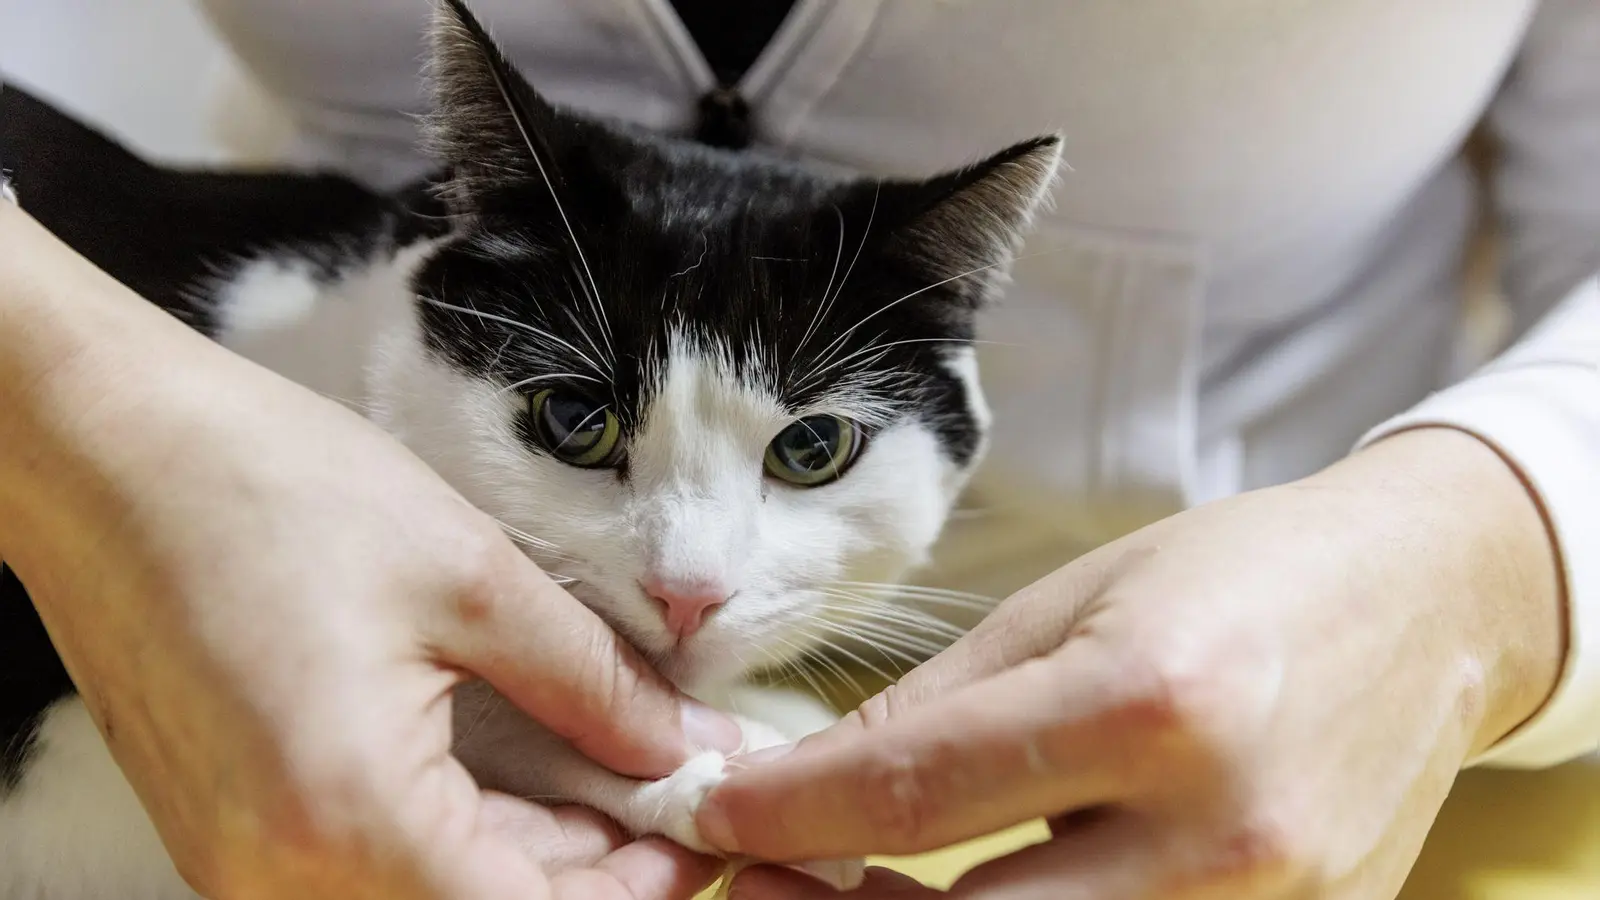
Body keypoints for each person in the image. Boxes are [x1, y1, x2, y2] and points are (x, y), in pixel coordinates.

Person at [3, 1, 1597, 898]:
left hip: (1315, 779)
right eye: (579, 426)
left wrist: (1476, 574)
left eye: (814, 453)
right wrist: (65, 407)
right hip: (246, 590)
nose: (692, 584)